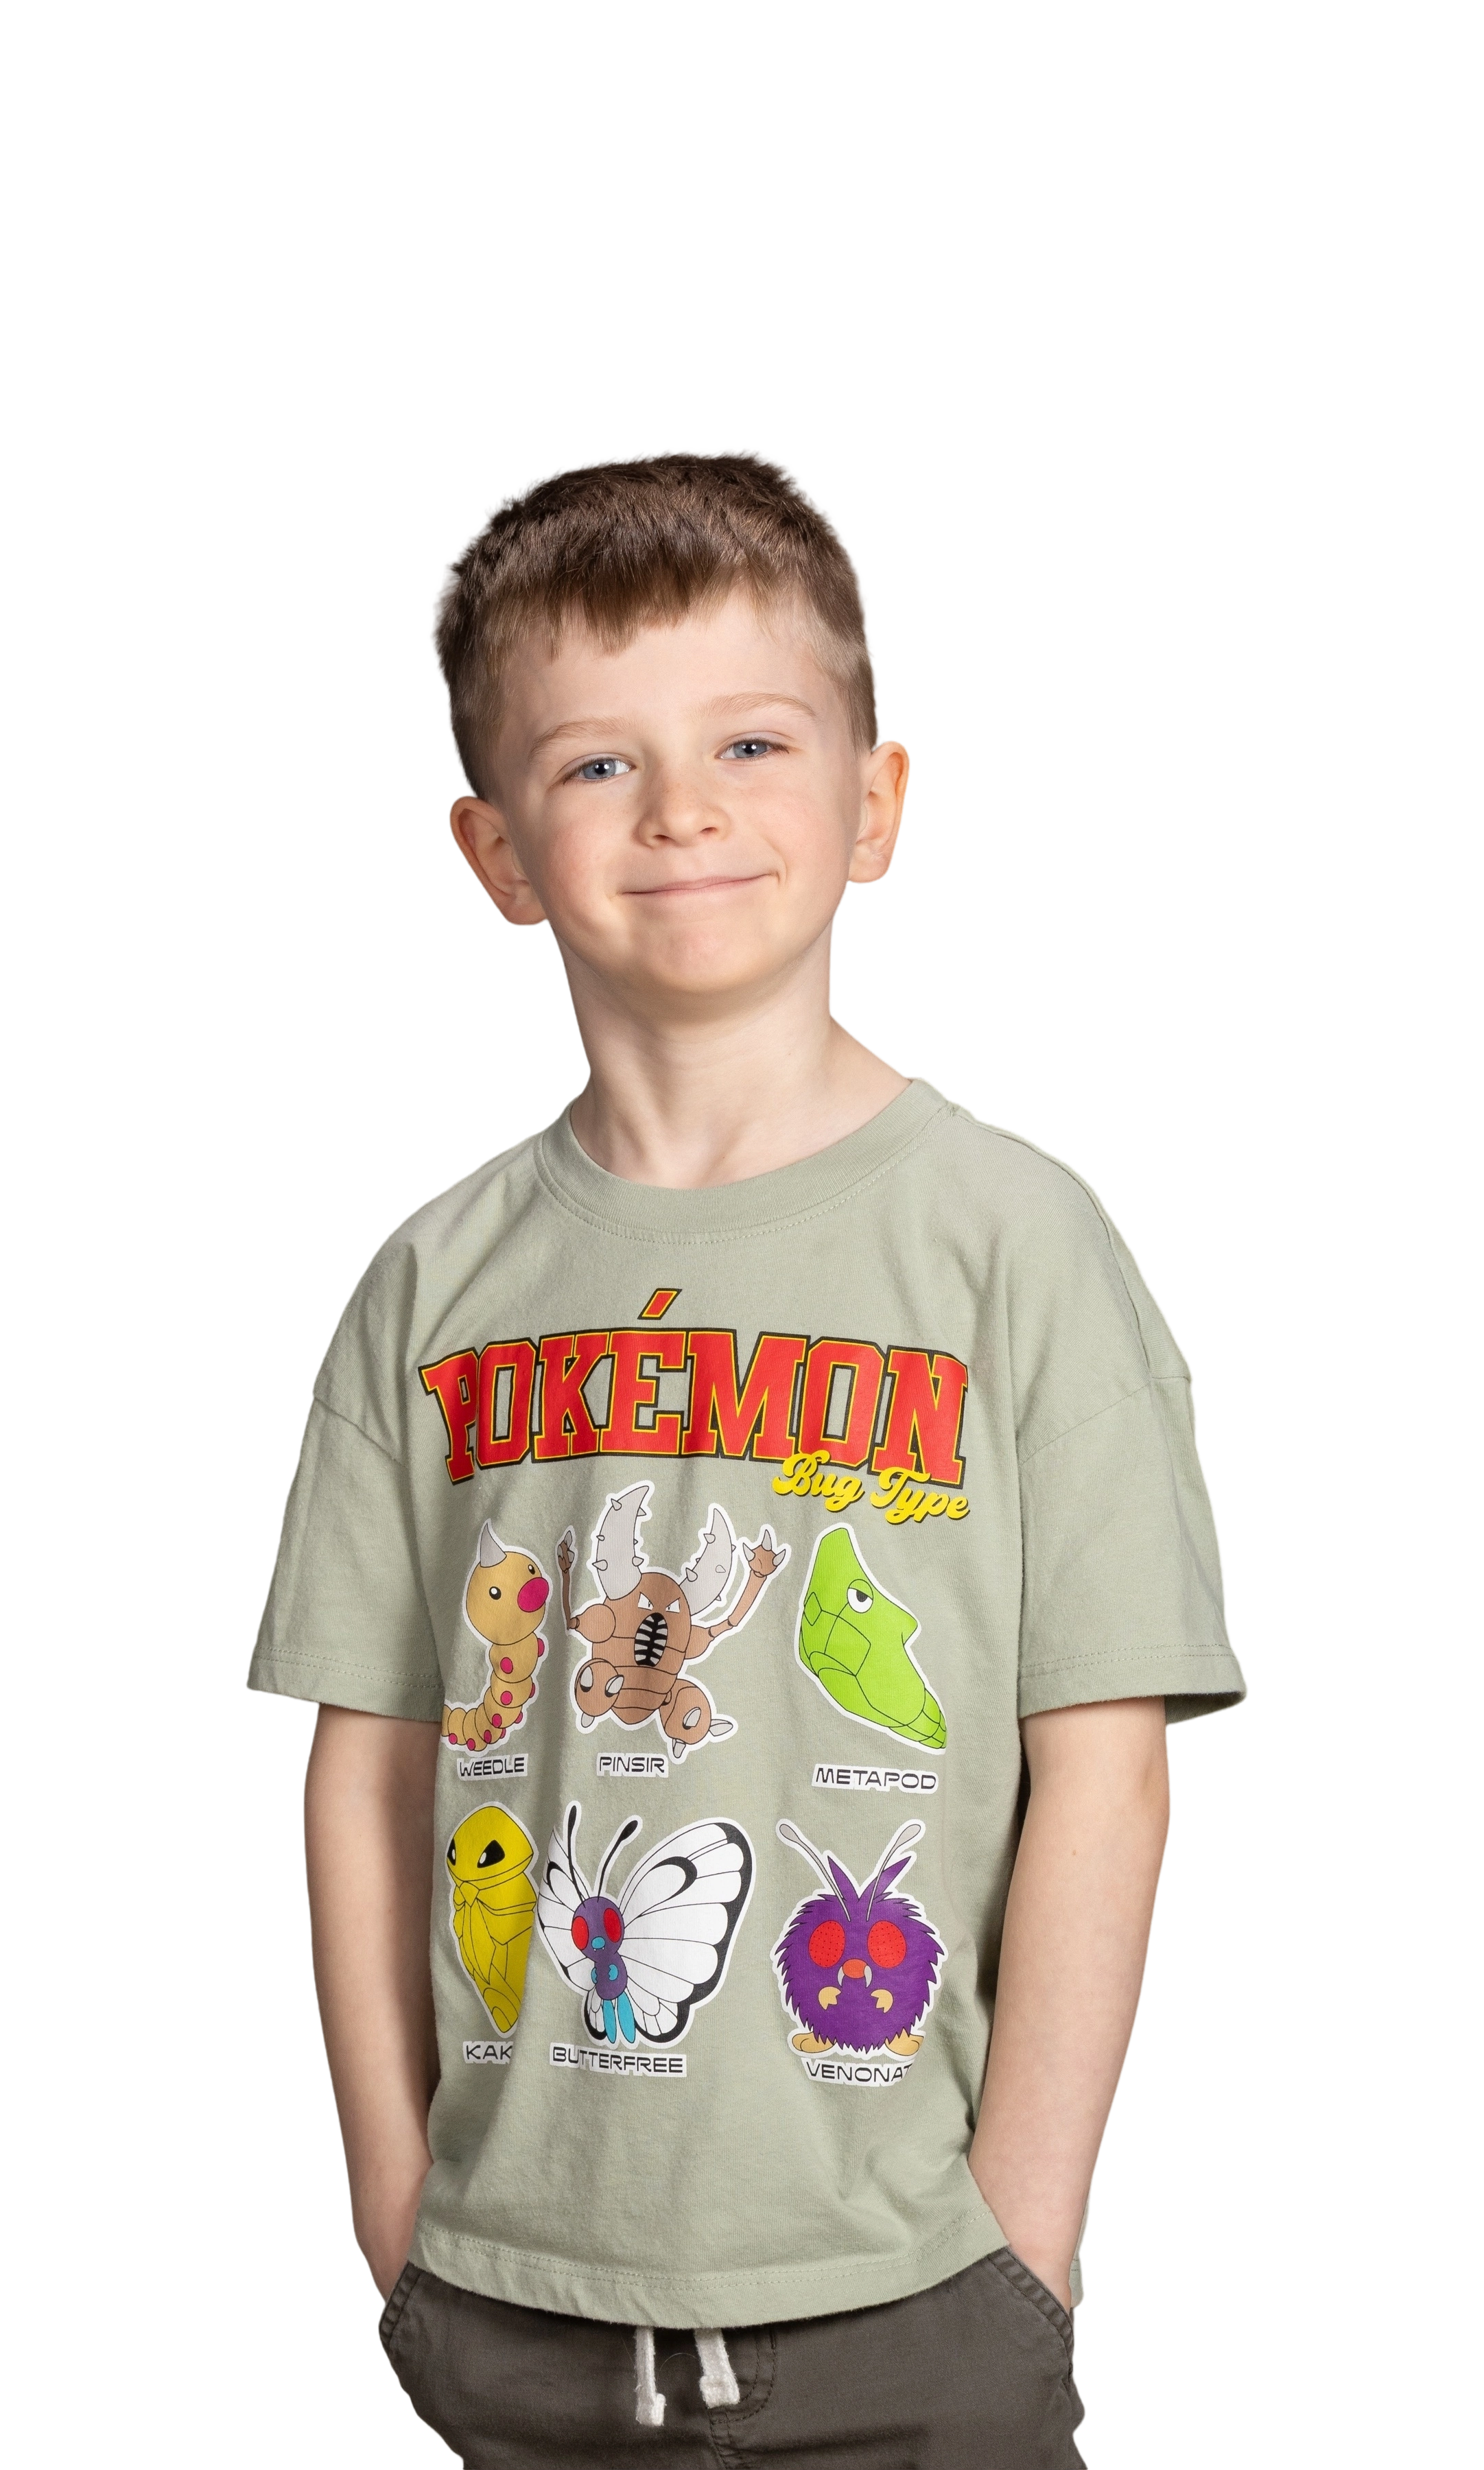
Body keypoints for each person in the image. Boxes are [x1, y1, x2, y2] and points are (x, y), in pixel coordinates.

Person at [244, 443, 1249, 2468]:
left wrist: (1022, 2247)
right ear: (497, 849)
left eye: (753, 742)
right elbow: (366, 1766)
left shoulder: (1017, 1244)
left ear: (877, 803)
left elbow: (1106, 1754)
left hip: (913, 2298)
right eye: (598, 761)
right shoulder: (432, 1281)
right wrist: (399, 2217)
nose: (683, 809)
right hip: (510, 2305)